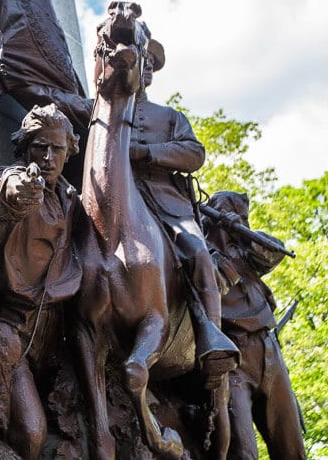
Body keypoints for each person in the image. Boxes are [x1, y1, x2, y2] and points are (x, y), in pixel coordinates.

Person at [129, 36, 236, 373]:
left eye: (147, 65)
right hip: (117, 201)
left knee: (199, 254)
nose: (142, 70)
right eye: (138, 62)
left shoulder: (170, 117)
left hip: (166, 203)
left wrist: (147, 153)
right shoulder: (98, 110)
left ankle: (212, 342)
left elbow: (194, 153)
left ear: (149, 75)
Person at [0, 104, 84, 459]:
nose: (48, 156)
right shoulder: (13, 178)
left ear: (69, 151)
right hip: (13, 327)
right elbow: (7, 194)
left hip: (57, 335)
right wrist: (19, 190)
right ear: (25, 149)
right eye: (39, 146)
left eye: (57, 148)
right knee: (31, 433)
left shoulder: (71, 199)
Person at [203, 191, 306, 460]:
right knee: (243, 451)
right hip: (235, 361)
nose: (241, 221)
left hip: (269, 352)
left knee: (292, 448)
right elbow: (212, 284)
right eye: (235, 214)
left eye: (243, 217)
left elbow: (275, 250)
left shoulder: (248, 252)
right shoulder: (201, 255)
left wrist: (240, 231)